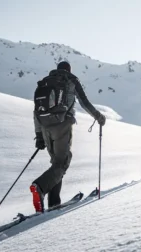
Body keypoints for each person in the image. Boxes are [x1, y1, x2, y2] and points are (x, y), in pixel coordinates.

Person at [31, 61, 106, 213]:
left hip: (45, 127)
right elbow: (84, 103)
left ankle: (54, 202)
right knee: (62, 163)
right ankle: (40, 187)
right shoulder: (71, 81)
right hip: (62, 125)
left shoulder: (45, 82)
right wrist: (98, 116)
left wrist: (39, 135)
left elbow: (36, 111)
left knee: (56, 164)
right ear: (69, 70)